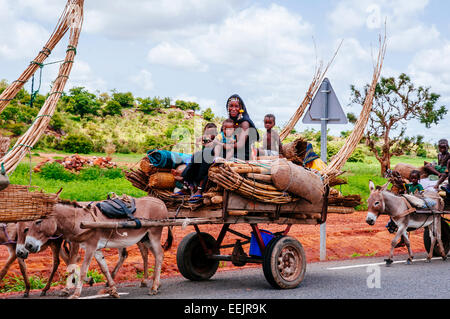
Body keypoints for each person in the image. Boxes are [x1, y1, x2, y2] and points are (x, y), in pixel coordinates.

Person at [177, 123, 218, 203]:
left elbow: (210, 149)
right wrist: (199, 143)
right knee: (195, 157)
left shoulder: (217, 141)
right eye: (208, 133)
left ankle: (199, 189)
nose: (210, 135)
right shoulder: (204, 140)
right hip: (202, 163)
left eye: (212, 133)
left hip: (210, 164)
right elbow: (199, 150)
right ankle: (186, 184)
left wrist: (208, 142)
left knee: (205, 157)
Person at [226, 94, 260, 161]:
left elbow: (240, 145)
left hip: (241, 155)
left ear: (241, 108)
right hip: (229, 152)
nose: (233, 109)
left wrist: (222, 145)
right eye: (231, 106)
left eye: (236, 106)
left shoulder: (245, 123)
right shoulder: (228, 123)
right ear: (228, 108)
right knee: (203, 153)